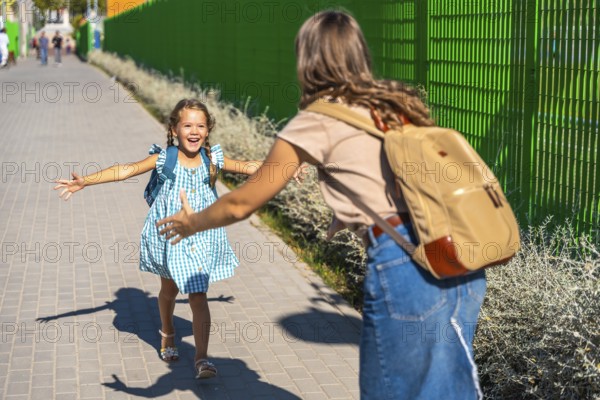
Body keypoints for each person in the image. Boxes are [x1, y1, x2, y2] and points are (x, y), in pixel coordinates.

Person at [156, 11, 487, 400]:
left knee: (391, 391)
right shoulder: (394, 104)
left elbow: (243, 201)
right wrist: (348, 214)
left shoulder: (318, 119)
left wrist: (193, 222)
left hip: (406, 267)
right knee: (449, 390)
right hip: (458, 255)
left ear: (307, 60)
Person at [54, 99, 269, 379]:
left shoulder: (212, 159)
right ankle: (167, 332)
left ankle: (202, 358)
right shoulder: (163, 159)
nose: (194, 131)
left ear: (208, 130)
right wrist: (86, 181)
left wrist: (288, 167)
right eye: (187, 125)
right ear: (174, 129)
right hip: (170, 235)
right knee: (169, 291)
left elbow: (249, 167)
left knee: (198, 294)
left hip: (201, 234)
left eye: (200, 125)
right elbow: (126, 170)